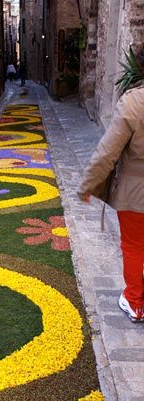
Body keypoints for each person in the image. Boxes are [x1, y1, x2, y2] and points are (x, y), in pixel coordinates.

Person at [77, 47, 144, 323]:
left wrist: (88, 185)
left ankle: (135, 302)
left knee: (133, 246)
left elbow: (108, 152)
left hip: (135, 194)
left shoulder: (133, 102)